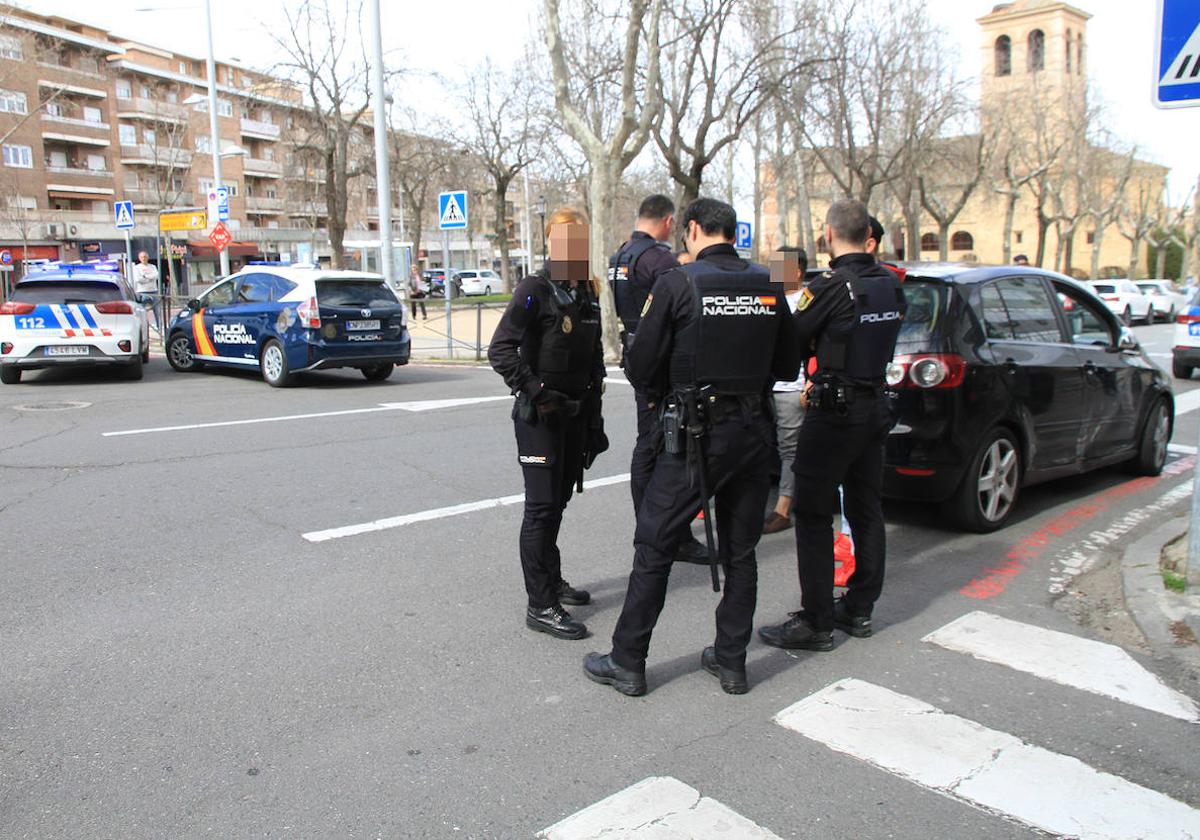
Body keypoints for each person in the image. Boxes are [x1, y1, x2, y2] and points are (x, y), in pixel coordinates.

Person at [585, 198, 801, 696]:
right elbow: (789, 364)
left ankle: (628, 661)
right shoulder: (769, 282)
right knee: (741, 551)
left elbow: (640, 366)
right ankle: (732, 663)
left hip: (695, 437)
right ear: (732, 233)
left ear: (695, 230)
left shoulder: (678, 283)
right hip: (752, 433)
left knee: (655, 544)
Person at [758, 199, 906, 652]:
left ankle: (817, 620)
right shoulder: (890, 284)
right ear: (869, 236)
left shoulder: (830, 287)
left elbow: (791, 337)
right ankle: (860, 607)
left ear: (826, 234)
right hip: (875, 405)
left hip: (835, 410)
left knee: (814, 512)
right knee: (865, 508)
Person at [488, 208, 607, 641]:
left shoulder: (588, 292)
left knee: (557, 503)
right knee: (540, 509)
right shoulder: (534, 290)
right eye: (565, 240)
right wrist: (536, 390)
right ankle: (540, 604)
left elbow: (593, 360)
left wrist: (594, 420)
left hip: (575, 417)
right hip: (540, 418)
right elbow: (500, 350)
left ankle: (552, 581)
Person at [608, 194, 708, 565]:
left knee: (647, 443)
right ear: (668, 221)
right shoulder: (659, 259)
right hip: (660, 359)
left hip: (634, 349)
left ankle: (657, 527)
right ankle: (667, 532)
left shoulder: (621, 255)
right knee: (663, 447)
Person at [763, 246, 808, 535]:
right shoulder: (769, 298)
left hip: (794, 387)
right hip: (766, 386)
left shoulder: (809, 301)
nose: (774, 274)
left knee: (790, 449)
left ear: (797, 271)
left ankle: (783, 508)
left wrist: (810, 382)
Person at [132, 250, 161, 332]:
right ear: (139, 258)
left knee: (157, 310)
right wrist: (149, 278)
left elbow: (156, 276)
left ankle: (160, 327)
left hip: (154, 290)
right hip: (142, 291)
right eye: (142, 257)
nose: (143, 258)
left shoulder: (152, 267)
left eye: (145, 256)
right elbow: (138, 279)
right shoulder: (137, 268)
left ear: (148, 257)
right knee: (141, 311)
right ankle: (142, 328)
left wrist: (145, 277)